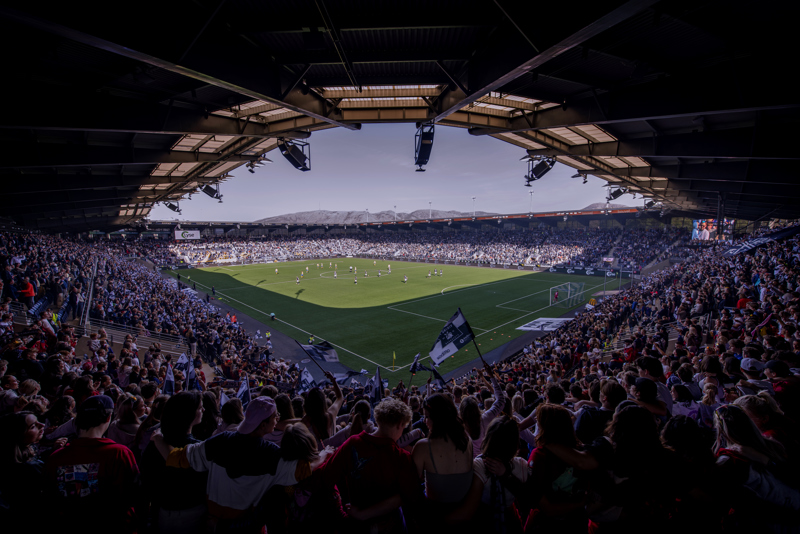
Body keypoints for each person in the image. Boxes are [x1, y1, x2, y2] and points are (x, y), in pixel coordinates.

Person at [317, 398, 419, 533]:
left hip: (357, 524)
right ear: (400, 424)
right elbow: (410, 496)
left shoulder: (352, 443)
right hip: (391, 525)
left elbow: (325, 477)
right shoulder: (401, 457)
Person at [44, 395, 140, 533]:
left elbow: (49, 501)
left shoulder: (55, 458)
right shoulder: (119, 454)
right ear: (108, 418)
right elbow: (133, 495)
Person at [141, 391, 208, 534]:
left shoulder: (155, 443)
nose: (203, 410)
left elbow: (146, 479)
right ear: (188, 414)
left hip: (160, 510)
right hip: (189, 513)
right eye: (199, 407)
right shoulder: (196, 448)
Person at [411, 394, 473, 521]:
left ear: (437, 418)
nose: (424, 421)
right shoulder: (467, 441)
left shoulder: (423, 447)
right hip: (467, 517)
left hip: (435, 518)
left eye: (427, 417)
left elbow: (410, 489)